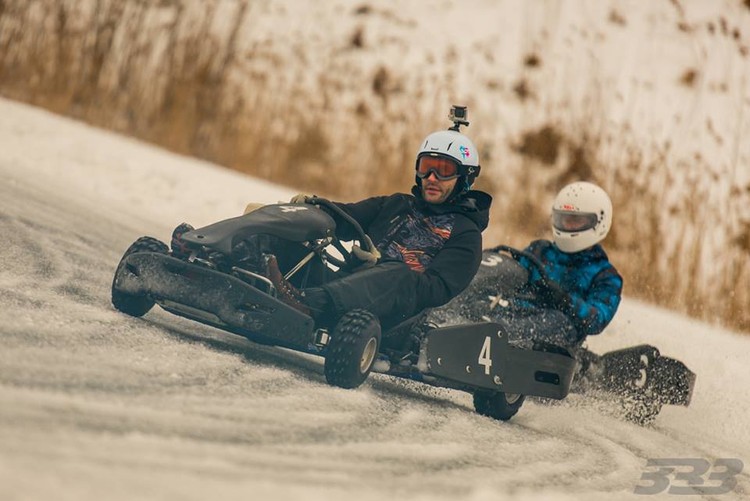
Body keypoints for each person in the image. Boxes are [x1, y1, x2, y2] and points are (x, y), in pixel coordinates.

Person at [174, 109, 492, 333]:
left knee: (398, 273)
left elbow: (436, 289)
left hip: (392, 317)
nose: (431, 177)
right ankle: (213, 256)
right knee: (296, 229)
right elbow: (345, 217)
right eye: (426, 167)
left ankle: (299, 303)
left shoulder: (466, 234)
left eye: (444, 170)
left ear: (465, 178)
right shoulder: (398, 204)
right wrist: (312, 207)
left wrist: (380, 267)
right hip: (338, 290)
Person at [458, 181, 622, 352]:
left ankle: (494, 336)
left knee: (559, 321)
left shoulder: (605, 276)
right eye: (563, 219)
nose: (568, 225)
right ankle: (450, 322)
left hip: (555, 338)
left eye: (575, 221)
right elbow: (514, 273)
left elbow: (597, 320)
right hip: (516, 310)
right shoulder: (540, 250)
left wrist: (563, 300)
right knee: (481, 299)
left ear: (599, 223)